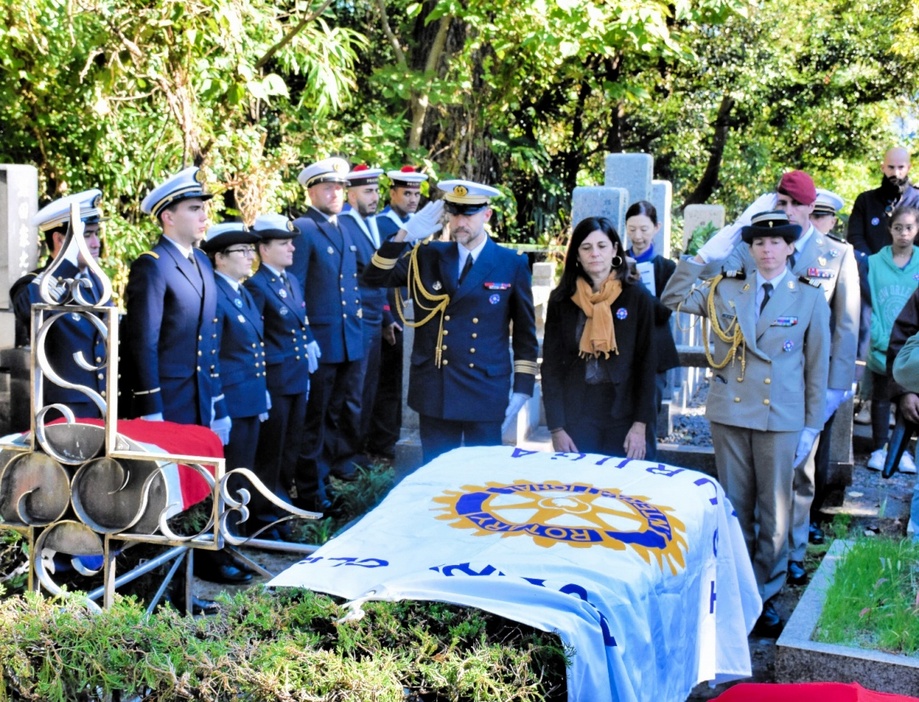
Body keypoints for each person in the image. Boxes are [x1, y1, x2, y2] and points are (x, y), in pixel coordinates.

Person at [662, 210, 830, 637]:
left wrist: (811, 427)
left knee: (775, 512)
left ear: (791, 247)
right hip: (732, 412)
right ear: (749, 249)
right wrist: (702, 256)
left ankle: (763, 593)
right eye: (758, 243)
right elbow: (673, 298)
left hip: (782, 416)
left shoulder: (809, 296)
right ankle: (735, 591)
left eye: (776, 242)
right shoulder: (727, 287)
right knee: (735, 506)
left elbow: (817, 368)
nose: (767, 250)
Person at [694, 171, 859, 584]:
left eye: (794, 205)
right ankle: (762, 567)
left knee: (797, 477)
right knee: (762, 484)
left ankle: (793, 553)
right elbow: (713, 289)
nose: (787, 211)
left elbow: (845, 326)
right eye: (780, 203)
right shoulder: (756, 247)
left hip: (806, 383)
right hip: (749, 392)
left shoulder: (834, 254)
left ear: (810, 208)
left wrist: (833, 392)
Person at [122, 167, 243, 596]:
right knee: (167, 496)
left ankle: (196, 569)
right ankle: (166, 586)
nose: (203, 216)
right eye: (194, 209)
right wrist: (150, 406)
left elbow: (210, 346)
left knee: (198, 489)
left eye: (204, 208)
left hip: (200, 398)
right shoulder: (154, 267)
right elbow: (142, 344)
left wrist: (220, 405)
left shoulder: (200, 263)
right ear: (167, 217)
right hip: (169, 400)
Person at [363, 179, 538, 463]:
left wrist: (522, 388)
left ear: (486, 215)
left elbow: (524, 335)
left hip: (484, 388)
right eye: (454, 213)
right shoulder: (428, 256)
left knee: (482, 478)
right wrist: (403, 236)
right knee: (437, 475)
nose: (460, 222)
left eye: (468, 214)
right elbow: (373, 278)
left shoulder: (511, 263)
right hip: (436, 388)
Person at [542, 216, 657, 458]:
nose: (595, 253)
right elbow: (551, 366)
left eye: (602, 246)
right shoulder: (562, 299)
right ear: (577, 254)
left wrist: (640, 425)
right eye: (586, 247)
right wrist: (556, 428)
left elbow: (648, 364)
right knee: (579, 489)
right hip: (577, 411)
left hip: (623, 410)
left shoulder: (636, 297)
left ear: (615, 249)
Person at [290, 157, 364, 511]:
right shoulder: (303, 229)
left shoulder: (343, 227)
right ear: (311, 191)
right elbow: (296, 288)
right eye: (327, 187)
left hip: (347, 339)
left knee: (335, 416)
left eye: (339, 187)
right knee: (315, 420)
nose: (335, 193)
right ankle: (310, 490)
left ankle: (325, 481)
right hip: (321, 342)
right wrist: (304, 338)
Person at [245, 214, 318, 531]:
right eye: (284, 243)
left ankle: (280, 505)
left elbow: (300, 324)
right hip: (274, 381)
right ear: (264, 248)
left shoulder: (291, 280)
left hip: (296, 376)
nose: (292, 248)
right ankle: (263, 515)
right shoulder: (257, 286)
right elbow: (255, 338)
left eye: (291, 242)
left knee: (290, 447)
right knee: (270, 453)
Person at [10, 189, 109, 421]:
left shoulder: (95, 282)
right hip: (64, 413)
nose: (96, 243)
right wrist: (65, 264)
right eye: (87, 235)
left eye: (96, 234)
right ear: (60, 240)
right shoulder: (33, 283)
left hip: (100, 405)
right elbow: (28, 309)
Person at [201, 221, 270, 538]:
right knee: (230, 477)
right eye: (240, 251)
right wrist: (219, 404)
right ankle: (225, 538)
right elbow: (212, 354)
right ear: (219, 258)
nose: (249, 256)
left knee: (245, 472)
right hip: (230, 400)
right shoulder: (215, 294)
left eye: (250, 250)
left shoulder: (241, 291)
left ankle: (239, 535)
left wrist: (261, 390)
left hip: (249, 397)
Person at [366, 166, 429, 461]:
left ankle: (389, 437)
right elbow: (377, 275)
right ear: (393, 193)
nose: (413, 199)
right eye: (407, 193)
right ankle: (381, 442)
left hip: (412, 312)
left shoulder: (416, 225)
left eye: (417, 194)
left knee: (399, 380)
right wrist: (386, 316)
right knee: (387, 383)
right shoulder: (382, 224)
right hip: (391, 315)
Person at [339, 164, 395, 467]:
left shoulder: (373, 224)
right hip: (355, 319)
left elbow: (379, 281)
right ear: (350, 194)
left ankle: (358, 451)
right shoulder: (346, 224)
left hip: (374, 319)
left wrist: (387, 318)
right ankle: (346, 456)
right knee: (353, 392)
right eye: (368, 191)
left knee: (368, 389)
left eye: (376, 191)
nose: (375, 197)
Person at [863, 206, 919, 473]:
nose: (904, 233)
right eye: (898, 228)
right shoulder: (873, 263)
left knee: (908, 398)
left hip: (911, 349)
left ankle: (904, 451)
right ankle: (879, 447)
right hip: (882, 343)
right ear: (890, 230)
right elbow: (867, 302)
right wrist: (880, 338)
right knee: (881, 395)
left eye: (909, 227)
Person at [624, 200, 680, 415]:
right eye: (632, 229)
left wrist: (638, 285)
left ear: (657, 228)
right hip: (621, 350)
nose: (638, 236)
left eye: (644, 229)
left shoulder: (667, 267)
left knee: (646, 419)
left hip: (654, 353)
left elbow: (663, 313)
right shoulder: (616, 260)